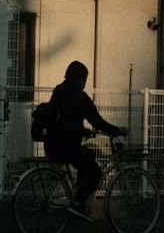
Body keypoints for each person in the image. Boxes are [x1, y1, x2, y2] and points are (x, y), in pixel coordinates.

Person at [44, 60, 126, 219]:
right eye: (84, 80)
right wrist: (117, 130)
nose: (84, 83)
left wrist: (82, 130)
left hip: (53, 143)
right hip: (68, 146)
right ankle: (78, 203)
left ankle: (77, 198)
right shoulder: (79, 96)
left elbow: (63, 119)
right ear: (81, 78)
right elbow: (97, 121)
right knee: (96, 173)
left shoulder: (59, 91)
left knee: (89, 155)